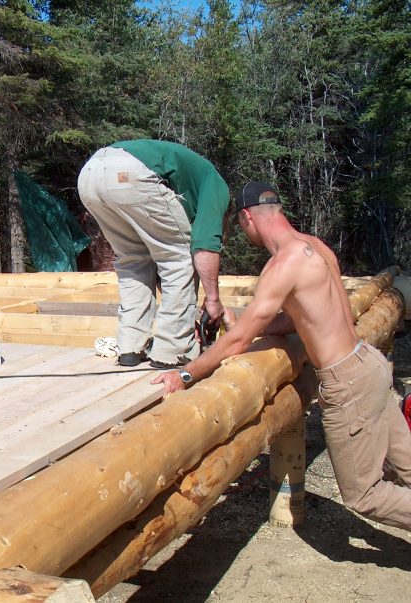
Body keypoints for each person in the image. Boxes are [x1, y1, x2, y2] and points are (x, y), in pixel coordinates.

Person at [152, 182, 411, 531]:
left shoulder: (281, 266)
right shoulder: (314, 247)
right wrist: (250, 323)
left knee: (364, 494)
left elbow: (237, 342)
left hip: (347, 381)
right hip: (369, 363)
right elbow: (312, 315)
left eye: (241, 227)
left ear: (247, 217)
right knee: (407, 467)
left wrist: (185, 374)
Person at [77, 139, 229, 369]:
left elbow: (157, 258)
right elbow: (204, 248)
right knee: (181, 259)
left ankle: (130, 346)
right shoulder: (216, 186)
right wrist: (213, 300)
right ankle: (173, 349)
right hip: (131, 173)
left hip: (90, 174)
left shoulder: (191, 176)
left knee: (132, 260)